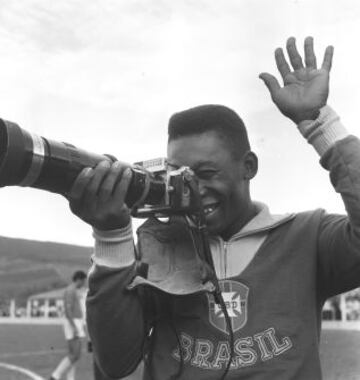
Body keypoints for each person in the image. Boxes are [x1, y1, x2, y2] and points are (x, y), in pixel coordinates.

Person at [68, 36, 360, 379]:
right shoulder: (157, 249)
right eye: (179, 175)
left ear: (248, 167)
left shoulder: (306, 238)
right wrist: (112, 239)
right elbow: (115, 363)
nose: (192, 189)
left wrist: (319, 122)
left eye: (207, 174)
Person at [50, 270, 87, 380]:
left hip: (75, 322)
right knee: (75, 354)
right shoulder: (70, 290)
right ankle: (55, 376)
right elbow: (68, 310)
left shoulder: (73, 290)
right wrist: (74, 327)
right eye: (84, 281)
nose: (84, 283)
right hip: (73, 322)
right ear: (79, 279)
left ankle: (70, 378)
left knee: (74, 355)